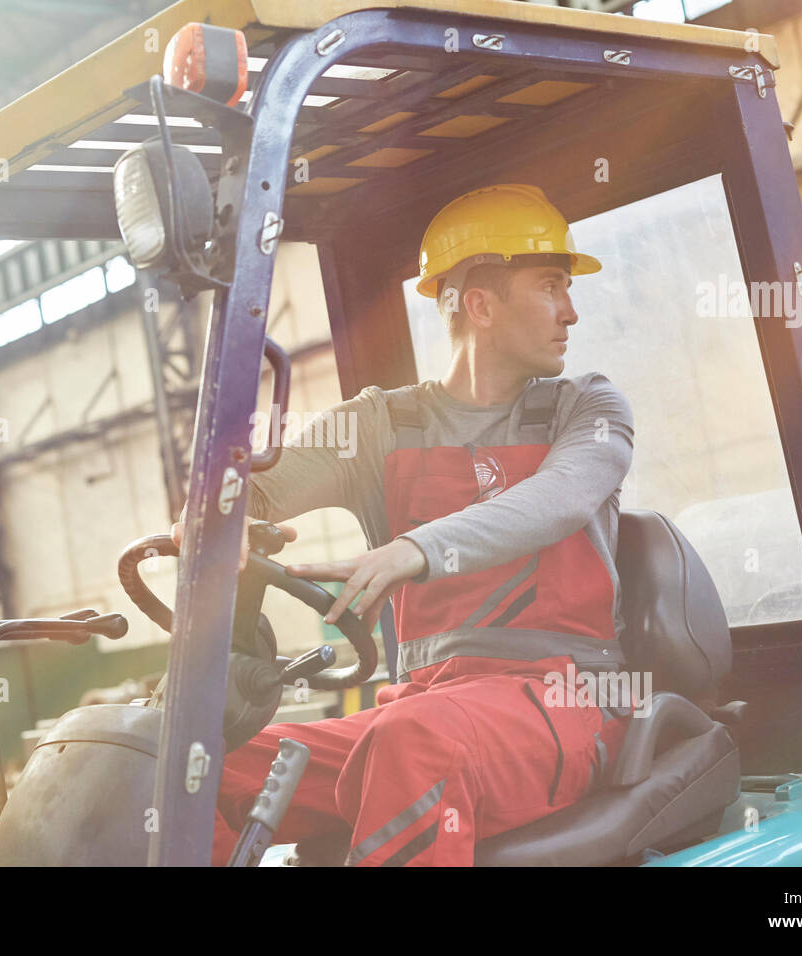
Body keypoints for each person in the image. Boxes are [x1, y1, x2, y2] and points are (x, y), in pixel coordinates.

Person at [176, 184, 634, 866]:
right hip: (426, 700)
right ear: (480, 303)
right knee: (189, 760)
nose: (570, 311)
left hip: (563, 700)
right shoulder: (379, 425)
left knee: (414, 740)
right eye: (550, 286)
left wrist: (414, 550)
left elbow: (559, 498)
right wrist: (217, 517)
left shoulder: (588, 408)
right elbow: (249, 493)